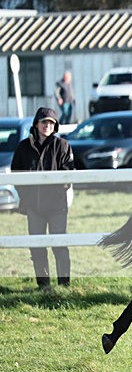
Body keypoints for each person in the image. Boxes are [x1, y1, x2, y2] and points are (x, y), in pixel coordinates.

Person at [11, 107, 75, 290]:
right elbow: (16, 174)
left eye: (51, 123)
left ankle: (64, 285)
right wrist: (28, 197)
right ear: (36, 124)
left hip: (57, 206)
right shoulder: (23, 147)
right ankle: (43, 285)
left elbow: (69, 173)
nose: (47, 125)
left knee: (59, 245)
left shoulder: (62, 145)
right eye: (44, 122)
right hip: (33, 207)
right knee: (37, 246)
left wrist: (54, 190)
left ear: (55, 126)